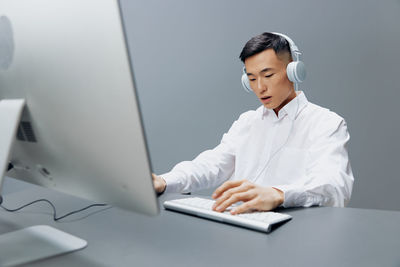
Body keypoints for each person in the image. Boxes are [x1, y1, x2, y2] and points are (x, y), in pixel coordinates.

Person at [152, 32, 354, 215]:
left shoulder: (326, 123)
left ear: (294, 70)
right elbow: (212, 165)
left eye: (268, 75)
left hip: (295, 233)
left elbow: (335, 187)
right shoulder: (247, 122)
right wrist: (165, 181)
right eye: (251, 78)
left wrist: (279, 194)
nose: (260, 87)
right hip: (240, 227)